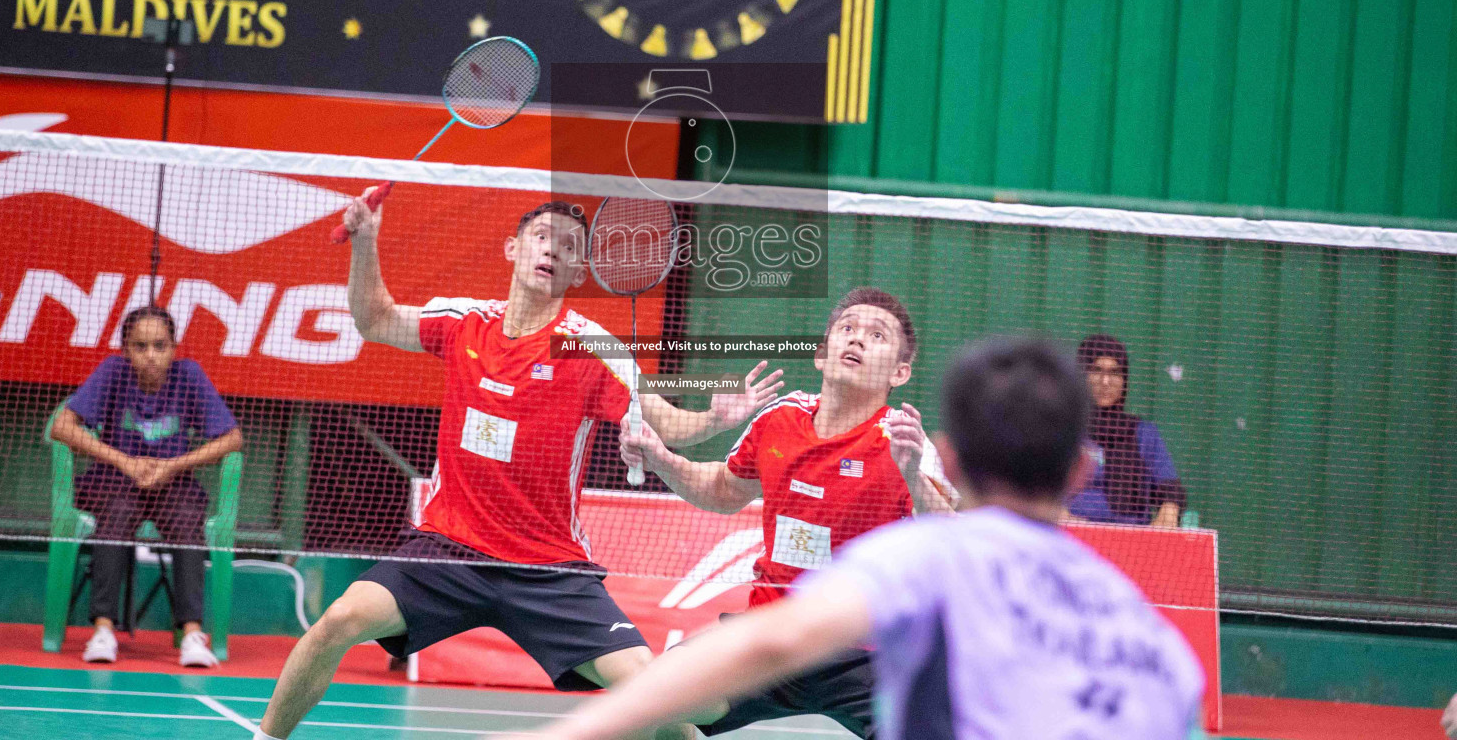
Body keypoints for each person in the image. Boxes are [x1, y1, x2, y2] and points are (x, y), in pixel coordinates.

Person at [254, 197, 780, 740]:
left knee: (651, 691)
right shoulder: (464, 324)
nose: (554, 249)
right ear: (513, 248)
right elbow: (376, 319)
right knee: (337, 622)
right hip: (446, 551)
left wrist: (714, 418)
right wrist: (365, 241)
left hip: (548, 568)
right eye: (542, 236)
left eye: (570, 247)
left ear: (578, 273)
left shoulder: (587, 348)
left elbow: (663, 423)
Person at [512, 338, 1205, 740]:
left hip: (853, 663)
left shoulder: (921, 555)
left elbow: (774, 641)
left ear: (949, 458)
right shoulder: (1155, 643)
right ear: (1083, 469)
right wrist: (664, 457)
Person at [621, 286, 955, 739]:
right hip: (770, 638)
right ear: (821, 354)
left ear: (900, 372)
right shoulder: (779, 420)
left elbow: (954, 536)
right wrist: (662, 457)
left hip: (865, 651)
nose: (856, 340)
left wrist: (914, 475)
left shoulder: (903, 443)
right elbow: (723, 490)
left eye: (876, 335)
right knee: (653, 700)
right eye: (847, 329)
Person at [49, 305, 243, 668]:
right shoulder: (113, 372)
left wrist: (172, 466)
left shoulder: (189, 375)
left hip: (172, 483)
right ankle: (103, 630)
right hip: (114, 482)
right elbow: (62, 426)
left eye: (160, 346)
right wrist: (125, 462)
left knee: (188, 520)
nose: (151, 356)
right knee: (119, 514)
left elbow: (232, 439)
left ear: (174, 347)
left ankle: (191, 634)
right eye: (140, 346)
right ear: (126, 349)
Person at [1066, 334, 1187, 528]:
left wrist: (1169, 511)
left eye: (1115, 373)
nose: (1105, 381)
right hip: (1068, 538)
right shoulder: (1062, 429)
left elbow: (1170, 490)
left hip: (1131, 543)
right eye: (1096, 370)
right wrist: (1056, 513)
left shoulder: (1144, 434)